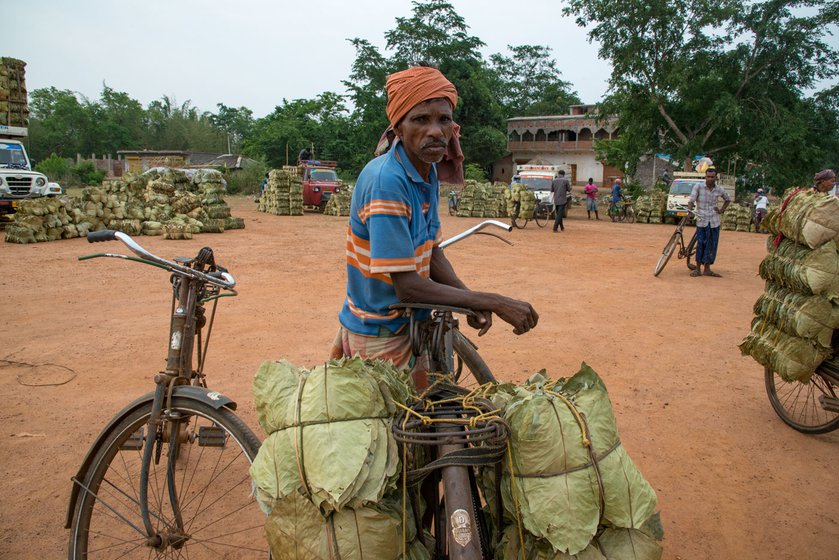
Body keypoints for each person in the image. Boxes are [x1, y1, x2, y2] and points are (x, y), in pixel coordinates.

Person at [330, 65, 538, 388]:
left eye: (443, 119)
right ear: (398, 128)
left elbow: (432, 253)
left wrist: (467, 296)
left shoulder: (426, 172)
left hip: (412, 324)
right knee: (401, 433)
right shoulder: (387, 181)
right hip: (380, 334)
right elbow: (408, 286)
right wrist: (492, 301)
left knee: (430, 421)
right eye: (421, 119)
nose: (436, 131)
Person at [687, 167, 731, 277]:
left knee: (711, 245)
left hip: (714, 221)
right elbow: (691, 200)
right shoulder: (698, 187)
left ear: (716, 177)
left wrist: (721, 210)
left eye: (712, 177)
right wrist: (690, 211)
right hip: (702, 220)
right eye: (708, 176)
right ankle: (698, 268)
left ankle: (707, 268)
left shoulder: (719, 189)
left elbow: (727, 199)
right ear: (705, 177)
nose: (710, 179)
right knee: (701, 243)